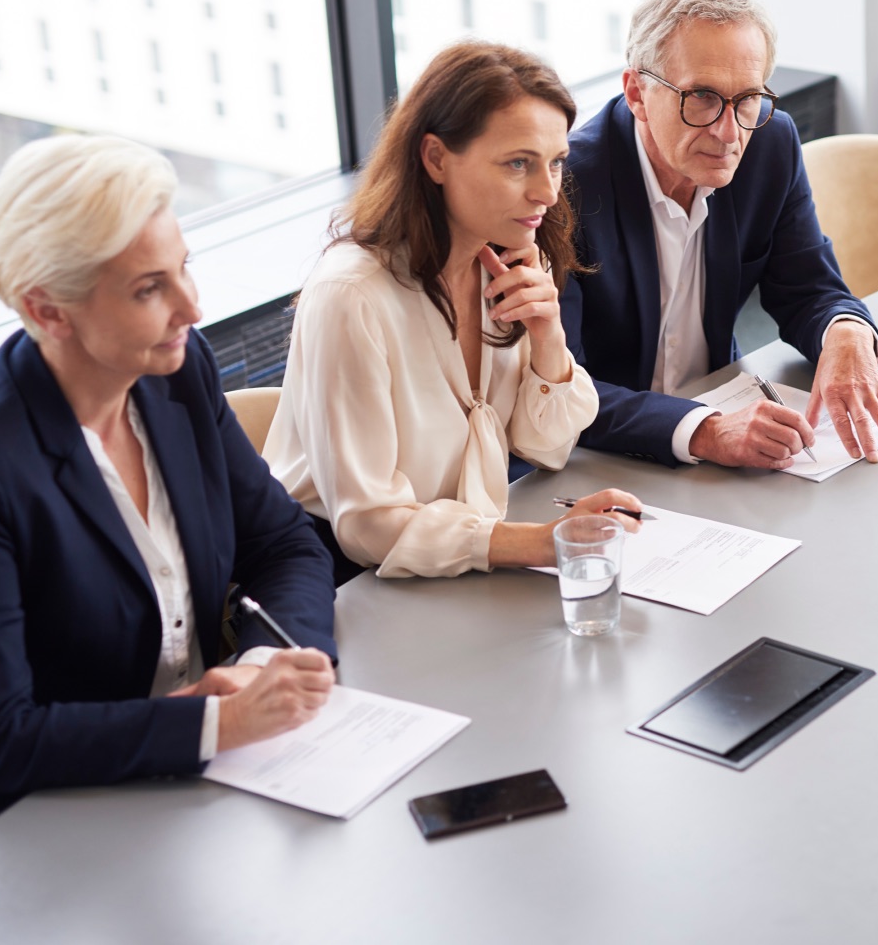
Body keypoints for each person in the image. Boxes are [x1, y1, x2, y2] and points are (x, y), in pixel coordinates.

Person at [0, 135, 338, 885]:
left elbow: (283, 544)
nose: (192, 306)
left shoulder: (175, 374)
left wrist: (259, 668)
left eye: (183, 266)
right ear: (46, 309)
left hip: (177, 774)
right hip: (3, 819)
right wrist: (214, 723)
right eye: (149, 288)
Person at [264, 41, 642, 585]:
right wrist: (542, 541)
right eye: (518, 163)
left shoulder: (509, 258)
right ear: (436, 158)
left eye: (556, 162)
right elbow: (367, 526)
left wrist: (548, 336)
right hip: (346, 579)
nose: (546, 192)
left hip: (459, 555)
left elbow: (547, 448)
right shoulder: (352, 295)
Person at [563, 0, 878, 470]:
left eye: (747, 98)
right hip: (598, 460)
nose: (729, 133)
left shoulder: (769, 144)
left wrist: (846, 331)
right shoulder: (564, 187)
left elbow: (809, 289)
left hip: (724, 428)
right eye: (702, 96)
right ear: (637, 92)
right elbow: (557, 389)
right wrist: (705, 430)